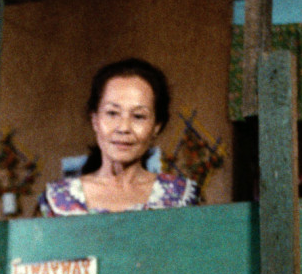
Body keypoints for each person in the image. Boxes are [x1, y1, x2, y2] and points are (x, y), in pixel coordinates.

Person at [39, 58, 199, 216]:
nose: (123, 128)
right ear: (95, 120)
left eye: (138, 116)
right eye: (112, 113)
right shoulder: (56, 200)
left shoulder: (181, 197)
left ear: (156, 126)